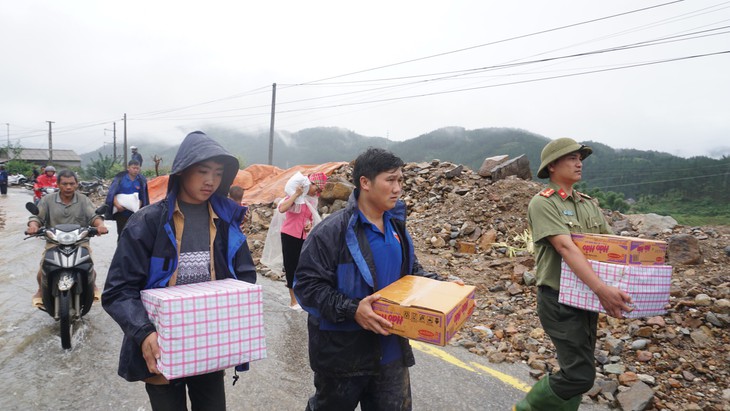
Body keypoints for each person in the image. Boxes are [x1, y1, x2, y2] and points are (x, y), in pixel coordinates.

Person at [102, 131, 257, 411]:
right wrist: (144, 331)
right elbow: (118, 291)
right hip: (161, 346)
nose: (211, 180)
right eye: (203, 171)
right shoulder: (147, 223)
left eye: (218, 173)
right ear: (183, 172)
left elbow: (244, 276)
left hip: (209, 343)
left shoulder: (225, 221)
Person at [294, 148, 444, 411]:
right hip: (343, 357)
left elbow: (410, 275)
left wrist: (443, 287)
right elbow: (307, 288)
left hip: (391, 355)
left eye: (400, 180)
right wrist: (353, 310)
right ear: (365, 182)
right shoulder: (331, 232)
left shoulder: (397, 227)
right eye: (390, 180)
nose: (398, 188)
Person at [514, 138, 633, 411]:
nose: (579, 162)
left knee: (579, 368)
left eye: (580, 157)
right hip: (559, 300)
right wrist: (603, 290)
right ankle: (526, 408)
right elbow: (565, 247)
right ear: (552, 166)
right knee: (579, 375)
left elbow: (611, 246)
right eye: (571, 158)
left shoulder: (589, 204)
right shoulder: (543, 203)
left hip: (585, 298)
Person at [27, 169, 108, 308]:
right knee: (43, 269)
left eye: (72, 183)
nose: (68, 187)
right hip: (54, 242)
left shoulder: (83, 199)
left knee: (89, 266)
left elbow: (94, 216)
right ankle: (40, 290)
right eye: (64, 184)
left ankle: (93, 285)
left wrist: (100, 225)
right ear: (58, 184)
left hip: (79, 242)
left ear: (77, 184)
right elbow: (37, 217)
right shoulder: (47, 200)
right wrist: (33, 226)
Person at [278, 172, 326, 309]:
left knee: (302, 267)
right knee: (290, 266)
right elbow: (282, 208)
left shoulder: (312, 200)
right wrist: (296, 195)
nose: (317, 192)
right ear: (311, 184)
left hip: (303, 237)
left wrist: (309, 224)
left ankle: (301, 296)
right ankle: (293, 300)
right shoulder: (297, 196)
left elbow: (310, 217)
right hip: (289, 234)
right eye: (317, 188)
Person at [106, 160, 149, 240]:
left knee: (134, 235)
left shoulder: (141, 180)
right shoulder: (120, 178)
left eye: (137, 168)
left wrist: (137, 208)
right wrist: (118, 206)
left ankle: (132, 252)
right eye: (133, 168)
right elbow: (113, 194)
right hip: (121, 213)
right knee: (122, 235)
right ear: (128, 168)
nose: (136, 170)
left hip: (134, 213)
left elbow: (143, 197)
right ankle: (121, 251)